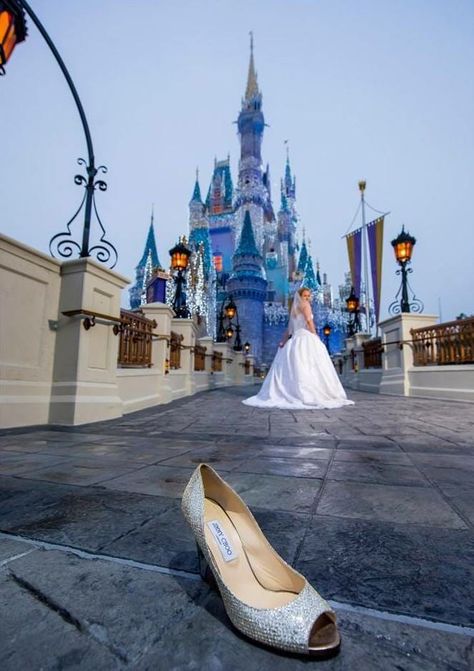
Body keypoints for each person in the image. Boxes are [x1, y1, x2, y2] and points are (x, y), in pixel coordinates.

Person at [243, 287, 354, 410]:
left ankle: (293, 392)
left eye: (308, 296)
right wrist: (315, 335)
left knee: (296, 366)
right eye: (305, 295)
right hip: (305, 338)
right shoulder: (306, 306)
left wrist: (283, 342)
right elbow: (309, 322)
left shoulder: (294, 310)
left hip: (294, 341)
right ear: (300, 296)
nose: (307, 298)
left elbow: (289, 330)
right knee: (311, 365)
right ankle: (309, 393)